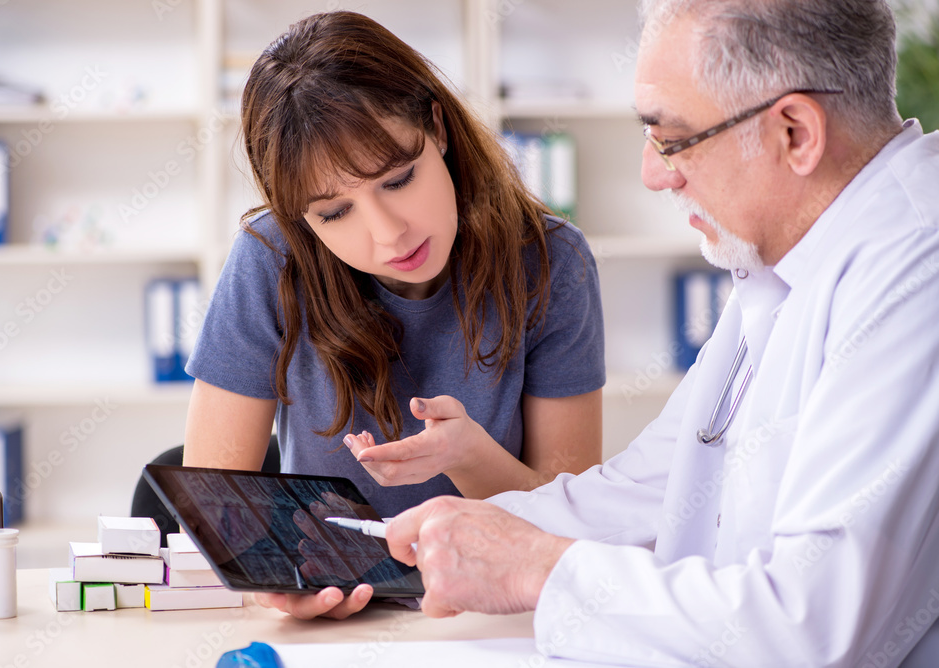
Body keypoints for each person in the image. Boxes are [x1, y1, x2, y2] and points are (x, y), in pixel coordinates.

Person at [354, 1, 939, 664]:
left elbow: (809, 628)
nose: (653, 174)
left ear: (796, 134)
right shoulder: (786, 271)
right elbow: (647, 488)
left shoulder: (918, 270)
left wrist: (537, 568)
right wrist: (410, 545)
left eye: (671, 137)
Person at [181, 11, 606, 617]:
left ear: (438, 127)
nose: (388, 234)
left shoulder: (551, 262)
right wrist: (278, 588)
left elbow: (571, 527)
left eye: (399, 179)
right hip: (337, 630)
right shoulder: (269, 260)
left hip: (491, 620)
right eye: (333, 213)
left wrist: (468, 456)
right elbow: (219, 515)